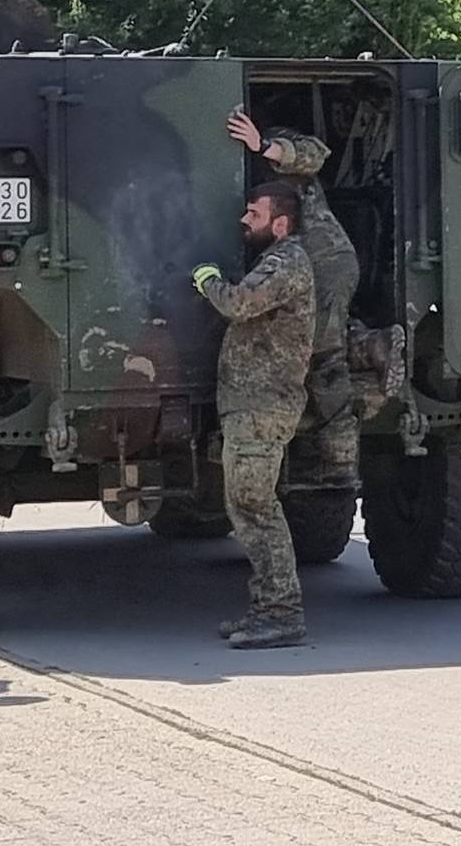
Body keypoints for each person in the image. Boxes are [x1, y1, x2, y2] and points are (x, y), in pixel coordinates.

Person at [192, 180, 316, 650]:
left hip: (263, 407)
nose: (246, 220)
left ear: (280, 224)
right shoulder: (277, 261)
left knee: (256, 509)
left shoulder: (288, 262)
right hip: (253, 405)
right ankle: (267, 607)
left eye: (254, 214)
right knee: (246, 507)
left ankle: (282, 612)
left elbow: (240, 304)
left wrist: (207, 280)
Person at [227, 109, 363, 490]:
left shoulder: (271, 143)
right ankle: (367, 344)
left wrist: (263, 145)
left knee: (325, 359)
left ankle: (340, 464)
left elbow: (316, 154)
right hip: (287, 272)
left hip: (325, 265)